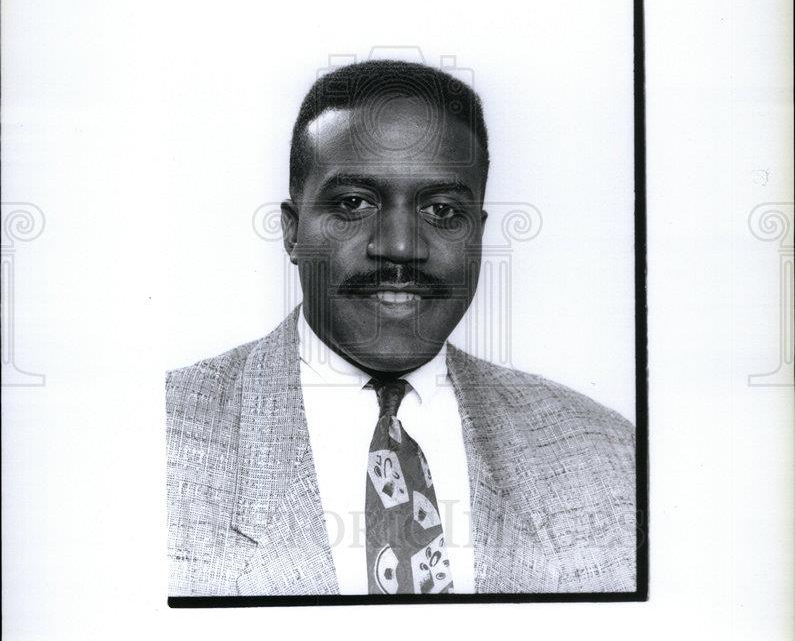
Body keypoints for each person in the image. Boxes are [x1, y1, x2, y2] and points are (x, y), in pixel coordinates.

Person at [166, 59, 636, 596]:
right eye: (354, 203)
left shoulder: (608, 453)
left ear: (478, 233)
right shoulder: (159, 437)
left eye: (440, 209)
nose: (400, 247)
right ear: (292, 233)